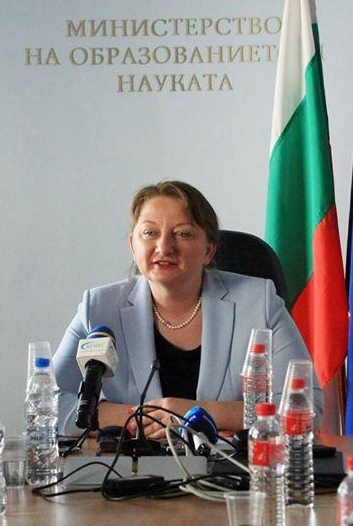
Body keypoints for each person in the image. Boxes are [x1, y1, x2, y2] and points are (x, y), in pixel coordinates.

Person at [53, 181, 322, 438]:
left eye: (182, 233)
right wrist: (139, 418)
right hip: (133, 466)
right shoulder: (99, 308)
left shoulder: (258, 301)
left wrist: (194, 414)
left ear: (208, 250)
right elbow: (48, 403)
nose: (164, 247)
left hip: (231, 465)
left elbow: (305, 406)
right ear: (133, 245)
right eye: (149, 233)